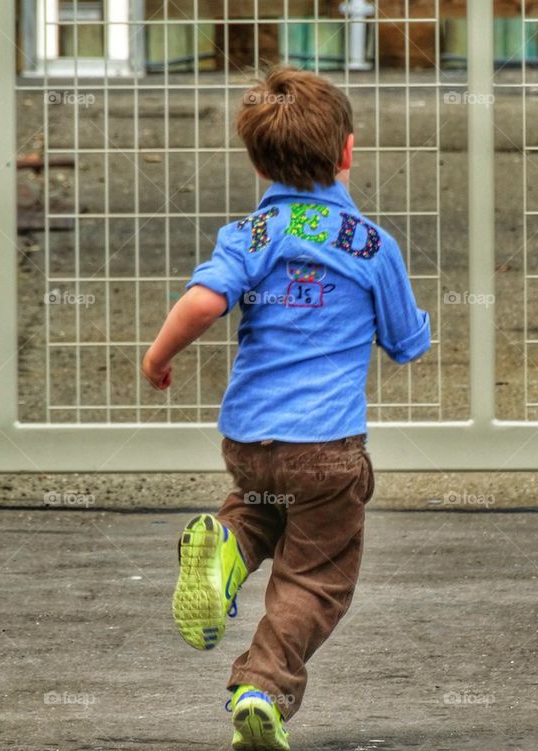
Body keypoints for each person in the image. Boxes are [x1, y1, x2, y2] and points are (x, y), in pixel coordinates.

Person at [142, 66, 431, 751]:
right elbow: (405, 342)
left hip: (249, 440)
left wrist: (158, 357)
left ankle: (225, 557)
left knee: (263, 502)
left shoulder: (248, 233)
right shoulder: (371, 246)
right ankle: (261, 688)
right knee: (317, 574)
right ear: (348, 151)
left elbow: (206, 301)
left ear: (255, 157)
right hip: (326, 448)